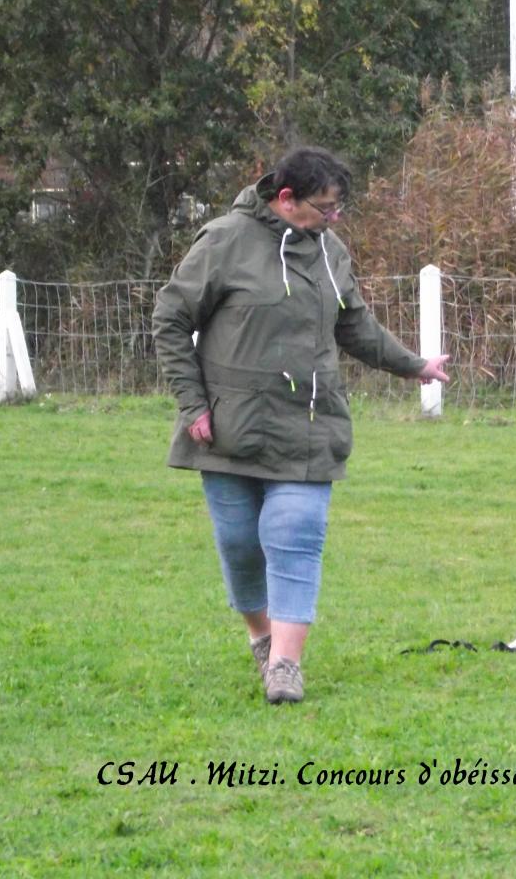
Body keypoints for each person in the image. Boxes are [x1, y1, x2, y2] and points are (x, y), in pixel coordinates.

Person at [152, 146, 449, 704]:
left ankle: (287, 666)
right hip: (226, 428)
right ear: (286, 199)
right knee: (242, 546)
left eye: (338, 210)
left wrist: (414, 365)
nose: (332, 220)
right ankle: (262, 639)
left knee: (294, 538)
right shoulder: (223, 241)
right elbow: (170, 319)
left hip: (309, 425)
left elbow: (356, 327)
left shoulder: (328, 252)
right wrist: (193, 405)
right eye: (324, 208)